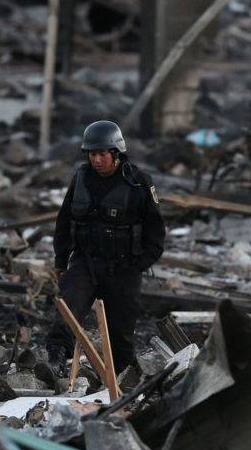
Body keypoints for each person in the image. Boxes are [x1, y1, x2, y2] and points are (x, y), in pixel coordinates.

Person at [45, 120, 166, 382]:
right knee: (67, 310)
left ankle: (121, 383)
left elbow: (156, 233)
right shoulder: (80, 178)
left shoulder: (139, 183)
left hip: (123, 268)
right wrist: (60, 260)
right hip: (85, 262)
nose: (97, 160)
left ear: (116, 153)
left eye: (102, 154)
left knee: (120, 336)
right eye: (92, 154)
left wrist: (137, 265)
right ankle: (54, 363)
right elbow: (64, 221)